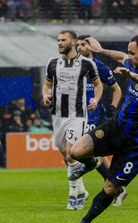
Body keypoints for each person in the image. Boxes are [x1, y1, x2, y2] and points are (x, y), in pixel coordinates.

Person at [68, 34, 138, 223]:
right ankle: (92, 163)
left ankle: (85, 222)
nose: (129, 57)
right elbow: (120, 56)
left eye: (133, 53)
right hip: (117, 127)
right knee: (76, 151)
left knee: (110, 188)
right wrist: (100, 51)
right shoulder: (133, 63)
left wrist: (131, 76)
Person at [42, 30, 103, 211]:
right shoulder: (52, 63)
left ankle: (73, 197)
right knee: (66, 157)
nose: (60, 43)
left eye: (63, 40)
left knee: (71, 154)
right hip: (58, 115)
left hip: (77, 115)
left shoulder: (86, 64)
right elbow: (47, 85)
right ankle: (82, 191)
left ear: (74, 42)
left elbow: (98, 84)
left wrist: (96, 99)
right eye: (58, 40)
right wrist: (45, 95)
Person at [76, 34, 127, 207]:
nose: (80, 47)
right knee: (90, 154)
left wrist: (112, 108)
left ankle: (80, 191)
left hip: (95, 116)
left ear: (91, 47)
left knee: (91, 152)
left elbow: (117, 90)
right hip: (76, 116)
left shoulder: (100, 67)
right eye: (78, 45)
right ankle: (116, 187)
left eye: (84, 44)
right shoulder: (72, 68)